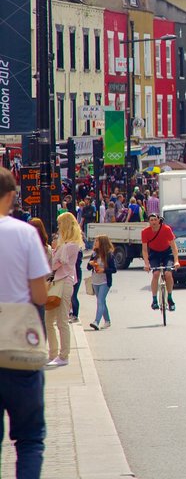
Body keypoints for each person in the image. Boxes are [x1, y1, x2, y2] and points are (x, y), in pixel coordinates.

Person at [0, 167, 51, 477]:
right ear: (9, 196)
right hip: (18, 347)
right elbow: (40, 295)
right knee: (30, 438)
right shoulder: (25, 233)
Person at [48, 212, 85, 367]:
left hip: (64, 281)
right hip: (58, 281)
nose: (58, 227)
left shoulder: (70, 245)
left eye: (59, 224)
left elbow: (57, 263)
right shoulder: (65, 244)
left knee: (62, 319)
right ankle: (54, 353)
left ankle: (64, 355)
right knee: (49, 319)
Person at [141, 213, 180, 311]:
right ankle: (154, 300)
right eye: (151, 220)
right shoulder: (145, 232)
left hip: (167, 253)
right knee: (156, 274)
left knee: (168, 273)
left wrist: (176, 261)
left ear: (159, 220)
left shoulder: (166, 229)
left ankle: (170, 298)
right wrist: (146, 264)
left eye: (155, 220)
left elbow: (174, 246)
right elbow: (145, 250)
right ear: (149, 222)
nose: (153, 222)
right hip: (154, 254)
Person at [87, 235, 117, 331]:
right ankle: (107, 321)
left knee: (100, 301)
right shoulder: (94, 254)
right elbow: (88, 267)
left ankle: (96, 321)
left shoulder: (109, 254)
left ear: (102, 243)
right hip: (95, 281)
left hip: (104, 281)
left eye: (97, 241)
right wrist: (90, 264)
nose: (95, 243)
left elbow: (114, 269)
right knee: (102, 302)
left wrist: (104, 270)